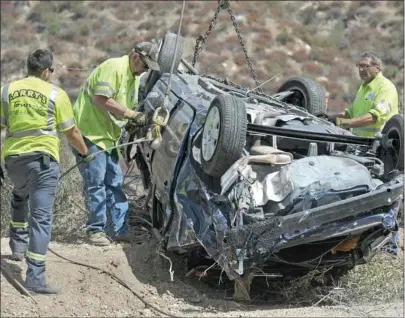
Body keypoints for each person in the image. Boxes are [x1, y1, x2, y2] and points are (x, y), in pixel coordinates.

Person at [0, 49, 90, 294]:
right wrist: (84, 152)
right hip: (43, 164)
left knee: (19, 195)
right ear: (46, 71)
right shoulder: (55, 94)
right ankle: (35, 278)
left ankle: (17, 247)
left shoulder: (7, 91)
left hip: (14, 161)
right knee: (41, 218)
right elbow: (71, 132)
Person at [72, 42, 160, 246]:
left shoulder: (133, 77)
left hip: (107, 137)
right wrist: (130, 115)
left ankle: (120, 230)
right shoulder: (115, 68)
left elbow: (120, 107)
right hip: (89, 134)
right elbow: (101, 99)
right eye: (145, 66)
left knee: (115, 182)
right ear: (136, 56)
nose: (145, 71)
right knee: (97, 183)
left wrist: (128, 124)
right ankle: (95, 231)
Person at [330, 51, 398, 137]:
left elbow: (374, 117)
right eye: (360, 66)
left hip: (378, 145)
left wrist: (343, 123)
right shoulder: (364, 87)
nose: (361, 70)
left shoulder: (386, 87)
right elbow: (350, 114)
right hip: (359, 143)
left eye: (366, 66)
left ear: (377, 68)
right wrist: (331, 118)